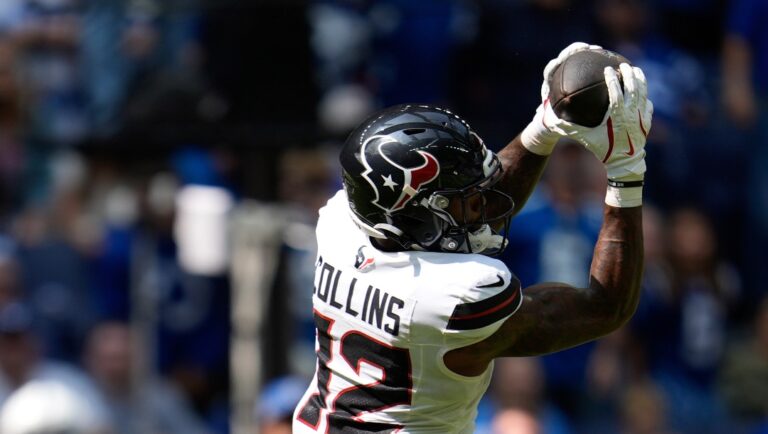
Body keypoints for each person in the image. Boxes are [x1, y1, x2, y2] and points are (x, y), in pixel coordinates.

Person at [292, 42, 651, 433]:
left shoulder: (342, 224)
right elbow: (603, 308)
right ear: (420, 217)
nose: (481, 204)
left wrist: (544, 126)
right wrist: (626, 170)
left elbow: (482, 206)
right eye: (462, 200)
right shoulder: (456, 296)